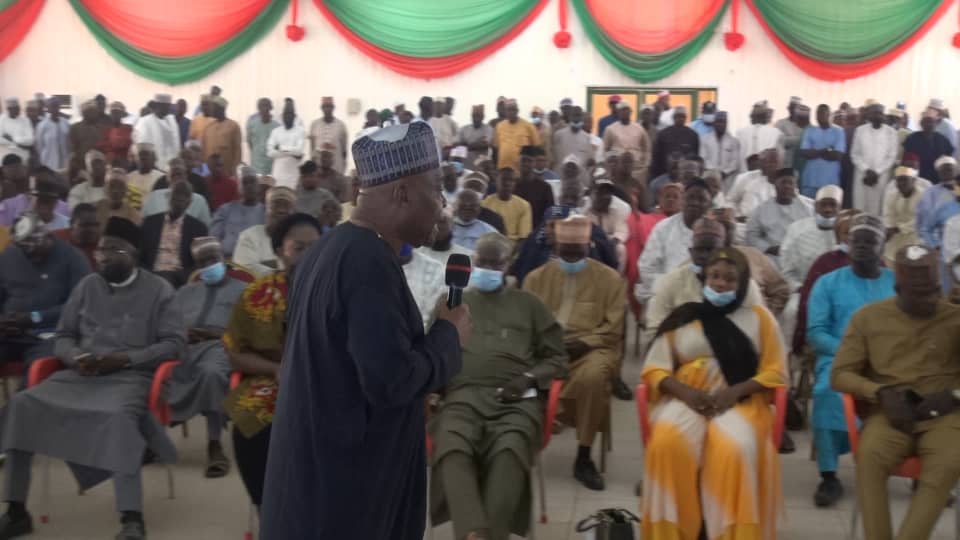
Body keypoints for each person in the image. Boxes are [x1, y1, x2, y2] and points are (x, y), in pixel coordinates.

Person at [259, 122, 469, 540]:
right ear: (403, 193)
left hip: (317, 482)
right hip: (348, 495)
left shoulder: (329, 249)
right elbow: (391, 381)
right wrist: (448, 335)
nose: (443, 203)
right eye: (436, 188)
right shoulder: (368, 264)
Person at [0, 217, 183, 540]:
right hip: (79, 375)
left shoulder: (159, 290)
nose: (103, 257)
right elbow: (64, 336)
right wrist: (75, 357)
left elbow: (174, 345)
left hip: (129, 379)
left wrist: (124, 359)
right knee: (22, 405)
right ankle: (16, 512)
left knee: (118, 419)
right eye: (101, 250)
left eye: (113, 250)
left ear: (133, 253)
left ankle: (131, 518)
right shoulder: (87, 286)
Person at [641, 247, 786, 540]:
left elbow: (776, 371)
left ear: (742, 284)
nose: (720, 284)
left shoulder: (760, 319)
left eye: (730, 279)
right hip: (687, 398)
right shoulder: (685, 316)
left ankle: (726, 531)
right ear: (704, 279)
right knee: (667, 443)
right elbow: (655, 368)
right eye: (715, 276)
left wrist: (735, 392)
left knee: (734, 448)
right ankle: (674, 531)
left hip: (740, 402)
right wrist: (685, 393)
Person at [430, 232, 566, 540]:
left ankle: (485, 534)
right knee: (453, 448)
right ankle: (475, 532)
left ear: (509, 264)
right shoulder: (453, 303)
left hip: (515, 400)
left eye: (496, 263)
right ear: (473, 262)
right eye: (483, 262)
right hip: (462, 397)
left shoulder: (529, 305)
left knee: (509, 451)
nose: (489, 268)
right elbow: (431, 352)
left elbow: (557, 358)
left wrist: (528, 379)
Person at [831, 244, 960, 540]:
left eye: (934, 290)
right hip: (891, 414)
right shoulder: (869, 318)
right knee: (870, 458)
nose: (931, 299)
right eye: (920, 294)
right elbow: (840, 374)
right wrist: (880, 392)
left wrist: (954, 396)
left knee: (947, 464)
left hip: (946, 415)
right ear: (899, 288)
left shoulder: (955, 317)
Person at [222, 213, 323, 511]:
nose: (308, 255)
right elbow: (234, 352)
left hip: (327, 381)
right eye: (298, 248)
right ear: (280, 251)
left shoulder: (339, 291)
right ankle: (267, 508)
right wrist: (276, 369)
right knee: (250, 423)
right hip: (271, 380)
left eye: (315, 248)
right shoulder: (257, 294)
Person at [524, 216, 625, 490]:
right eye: (565, 250)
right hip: (546, 350)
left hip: (591, 349)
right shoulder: (535, 278)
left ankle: (583, 455)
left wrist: (584, 342)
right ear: (556, 247)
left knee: (593, 378)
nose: (570, 256)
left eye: (576, 251)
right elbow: (525, 323)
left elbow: (613, 329)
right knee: (513, 370)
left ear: (588, 246)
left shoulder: (610, 279)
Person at [807, 214, 895, 507]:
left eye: (871, 241)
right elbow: (816, 332)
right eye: (857, 240)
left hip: (889, 362)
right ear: (847, 243)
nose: (862, 247)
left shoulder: (896, 283)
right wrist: (852, 354)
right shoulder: (827, 283)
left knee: (916, 391)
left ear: (882, 248)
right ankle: (828, 475)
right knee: (825, 392)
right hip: (839, 359)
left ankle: (919, 466)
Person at [168, 237, 249, 478]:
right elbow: (168, 323)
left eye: (212, 259)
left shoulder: (244, 291)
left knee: (211, 373)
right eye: (202, 262)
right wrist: (181, 334)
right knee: (148, 372)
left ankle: (214, 444)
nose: (208, 265)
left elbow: (251, 332)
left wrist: (215, 334)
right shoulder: (185, 292)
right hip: (185, 348)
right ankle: (153, 440)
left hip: (221, 346)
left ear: (223, 258)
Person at [644, 216, 763, 339]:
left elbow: (758, 329)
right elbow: (654, 330)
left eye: (712, 250)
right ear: (691, 252)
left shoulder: (745, 285)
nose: (705, 256)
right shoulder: (670, 282)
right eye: (699, 250)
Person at [0, 213, 90, 374]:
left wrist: (34, 318)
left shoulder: (74, 259)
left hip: (51, 334)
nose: (30, 255)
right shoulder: (9, 256)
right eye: (24, 250)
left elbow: (80, 307)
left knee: (36, 367)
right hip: (11, 333)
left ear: (48, 235)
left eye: (35, 249)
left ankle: (27, 391)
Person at [636, 180, 712, 303]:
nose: (695, 203)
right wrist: (674, 288)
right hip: (665, 292)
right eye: (691, 197)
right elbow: (647, 268)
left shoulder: (714, 232)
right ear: (682, 200)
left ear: (709, 205)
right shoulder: (663, 228)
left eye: (701, 199)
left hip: (701, 295)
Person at [140, 181, 209, 287]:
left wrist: (181, 276)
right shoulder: (150, 222)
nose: (178, 201)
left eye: (183, 197)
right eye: (175, 196)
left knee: (166, 280)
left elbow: (201, 262)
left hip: (179, 278)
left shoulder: (198, 228)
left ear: (189, 202)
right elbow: (139, 256)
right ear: (168, 197)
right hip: (151, 274)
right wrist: (148, 273)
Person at [780, 185, 841, 291]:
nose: (828, 209)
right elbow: (786, 269)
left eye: (833, 205)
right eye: (823, 204)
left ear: (839, 208)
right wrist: (799, 288)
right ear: (815, 206)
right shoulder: (797, 228)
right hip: (802, 290)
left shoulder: (845, 231)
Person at [746, 169, 813, 265]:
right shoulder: (762, 209)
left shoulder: (807, 209)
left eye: (791, 183)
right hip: (771, 257)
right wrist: (769, 248)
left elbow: (812, 234)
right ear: (775, 185)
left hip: (799, 256)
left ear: (795, 186)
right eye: (783, 182)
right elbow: (751, 235)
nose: (787, 186)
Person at [233, 186, 295, 276]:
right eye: (275, 205)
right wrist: (282, 273)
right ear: (265, 210)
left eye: (287, 206)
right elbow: (243, 270)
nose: (281, 210)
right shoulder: (249, 236)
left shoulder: (299, 240)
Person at [851, 103, 898, 216]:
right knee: (859, 207)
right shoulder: (860, 130)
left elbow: (891, 156)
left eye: (880, 113)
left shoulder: (891, 132)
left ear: (884, 116)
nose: (877, 116)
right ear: (869, 115)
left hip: (881, 176)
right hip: (862, 175)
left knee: (876, 210)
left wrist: (877, 172)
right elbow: (855, 154)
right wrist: (866, 170)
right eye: (874, 113)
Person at [210, 167, 265, 258]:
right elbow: (213, 240)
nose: (249, 186)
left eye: (252, 182)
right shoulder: (225, 210)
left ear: (259, 186)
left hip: (256, 262)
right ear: (239, 187)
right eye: (245, 183)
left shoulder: (265, 212)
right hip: (227, 261)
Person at [142, 158, 212, 225]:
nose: (176, 177)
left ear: (186, 176)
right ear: (167, 177)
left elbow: (206, 226)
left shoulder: (199, 200)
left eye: (179, 174)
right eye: (173, 175)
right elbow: (144, 220)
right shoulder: (154, 196)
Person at [799, 104, 846, 199]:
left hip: (830, 180)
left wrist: (815, 152)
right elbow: (804, 153)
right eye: (818, 114)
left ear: (829, 115)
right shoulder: (810, 131)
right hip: (811, 179)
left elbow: (837, 155)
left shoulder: (839, 132)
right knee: (808, 206)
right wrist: (825, 150)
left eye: (822, 113)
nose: (819, 116)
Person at [884, 167, 927, 266]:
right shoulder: (892, 195)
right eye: (899, 180)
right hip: (896, 236)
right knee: (890, 258)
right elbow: (888, 215)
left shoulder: (923, 195)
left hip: (917, 235)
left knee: (912, 262)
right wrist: (889, 227)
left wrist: (898, 228)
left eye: (905, 180)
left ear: (914, 181)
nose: (901, 183)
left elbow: (921, 220)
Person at [586, 178, 629, 269]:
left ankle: (616, 277)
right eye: (600, 192)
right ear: (590, 194)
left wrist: (607, 243)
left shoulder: (619, 209)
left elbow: (621, 232)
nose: (605, 196)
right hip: (589, 245)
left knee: (621, 249)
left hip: (610, 244)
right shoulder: (584, 210)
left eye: (608, 192)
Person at [903, 109, 954, 184]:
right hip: (916, 178)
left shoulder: (943, 140)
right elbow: (906, 160)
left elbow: (948, 161)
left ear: (936, 124)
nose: (928, 124)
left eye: (931, 122)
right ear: (921, 124)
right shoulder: (912, 138)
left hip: (937, 178)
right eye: (926, 122)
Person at [728, 148, 781, 220]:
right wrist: (736, 215)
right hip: (742, 222)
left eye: (775, 162)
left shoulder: (784, 183)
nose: (773, 165)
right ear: (761, 163)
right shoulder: (744, 178)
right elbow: (731, 201)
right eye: (769, 162)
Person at [482, 168, 532, 242]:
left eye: (511, 180)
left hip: (512, 245)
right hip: (488, 242)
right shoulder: (485, 203)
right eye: (504, 179)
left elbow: (524, 238)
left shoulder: (524, 205)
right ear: (496, 181)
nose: (507, 183)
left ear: (515, 183)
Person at [602, 101, 651, 177]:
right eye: (622, 110)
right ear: (618, 112)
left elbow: (646, 148)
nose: (624, 112)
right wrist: (612, 162)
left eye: (626, 109)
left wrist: (645, 164)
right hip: (617, 170)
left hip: (637, 169)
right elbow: (605, 149)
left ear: (631, 112)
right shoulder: (610, 129)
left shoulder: (639, 128)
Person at [132, 94, 181, 167]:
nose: (168, 108)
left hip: (172, 165)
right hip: (154, 166)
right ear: (157, 106)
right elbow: (142, 147)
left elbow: (176, 144)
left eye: (168, 106)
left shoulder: (172, 121)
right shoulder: (145, 122)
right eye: (165, 106)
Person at [736, 100, 785, 172]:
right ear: (765, 118)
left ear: (752, 117)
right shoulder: (776, 133)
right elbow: (780, 158)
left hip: (744, 173)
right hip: (767, 174)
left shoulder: (740, 133)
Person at [651, 106, 699, 179]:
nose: (680, 119)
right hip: (664, 174)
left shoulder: (693, 135)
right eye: (678, 116)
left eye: (682, 116)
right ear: (673, 117)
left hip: (685, 176)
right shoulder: (663, 134)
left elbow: (695, 156)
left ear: (686, 118)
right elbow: (656, 157)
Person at [514, 147, 554, 230]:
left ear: (534, 163)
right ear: (518, 162)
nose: (526, 164)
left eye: (529, 161)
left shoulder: (545, 188)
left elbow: (549, 215)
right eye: (523, 160)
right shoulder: (511, 185)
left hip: (536, 232)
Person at [493, 99, 540, 171]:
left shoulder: (528, 126)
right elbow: (496, 148)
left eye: (513, 110)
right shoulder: (499, 126)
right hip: (503, 169)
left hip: (522, 171)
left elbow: (536, 148)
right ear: (505, 111)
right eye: (508, 110)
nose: (511, 112)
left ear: (517, 111)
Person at [199, 96, 242, 175]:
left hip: (227, 172)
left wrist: (234, 170)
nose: (211, 109)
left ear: (221, 109)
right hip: (209, 173)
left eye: (213, 107)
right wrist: (204, 171)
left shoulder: (233, 126)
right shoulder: (208, 128)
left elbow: (237, 151)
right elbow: (203, 151)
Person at [266, 105, 305, 188]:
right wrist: (292, 152)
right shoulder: (275, 132)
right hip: (278, 175)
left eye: (290, 114)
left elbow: (299, 151)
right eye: (286, 114)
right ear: (282, 116)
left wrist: (280, 148)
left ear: (294, 116)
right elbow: (270, 153)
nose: (288, 116)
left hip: (293, 176)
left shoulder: (300, 131)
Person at [699, 111, 741, 187]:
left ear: (726, 123)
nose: (721, 124)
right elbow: (703, 159)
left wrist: (724, 173)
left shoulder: (733, 141)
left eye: (723, 122)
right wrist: (715, 173)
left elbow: (735, 162)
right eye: (718, 122)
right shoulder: (705, 139)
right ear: (714, 123)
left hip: (727, 179)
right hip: (709, 177)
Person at [52, 203, 99, 269]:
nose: (93, 230)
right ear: (71, 223)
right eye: (86, 225)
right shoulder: (55, 239)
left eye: (96, 225)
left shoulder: (101, 245)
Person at [308, 97, 348, 174]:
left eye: (329, 106)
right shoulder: (314, 124)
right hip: (318, 170)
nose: (327, 109)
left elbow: (344, 151)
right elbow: (312, 149)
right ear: (321, 108)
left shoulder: (341, 125)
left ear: (333, 108)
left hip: (336, 168)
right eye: (325, 106)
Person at [552, 106, 593, 172]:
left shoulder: (586, 137)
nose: (577, 118)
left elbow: (589, 159)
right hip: (561, 173)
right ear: (570, 117)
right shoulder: (559, 135)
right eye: (574, 115)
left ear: (582, 118)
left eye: (579, 115)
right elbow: (554, 157)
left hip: (580, 174)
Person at [34, 97, 69, 171]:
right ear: (48, 108)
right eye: (52, 106)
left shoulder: (65, 122)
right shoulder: (42, 125)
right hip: (48, 161)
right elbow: (39, 145)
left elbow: (68, 141)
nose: (55, 109)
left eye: (57, 106)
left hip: (64, 161)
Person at [247, 98, 279, 175]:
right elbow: (250, 143)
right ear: (258, 108)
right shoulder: (252, 124)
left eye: (266, 106)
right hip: (256, 165)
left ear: (271, 108)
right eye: (261, 106)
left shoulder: (277, 126)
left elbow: (277, 147)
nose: (264, 109)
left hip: (271, 165)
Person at [775, 97, 808, 170]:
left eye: (797, 108)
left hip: (800, 164)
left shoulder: (806, 126)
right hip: (785, 165)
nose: (794, 110)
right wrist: (800, 139)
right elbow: (780, 141)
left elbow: (808, 143)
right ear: (788, 108)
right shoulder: (780, 123)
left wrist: (789, 140)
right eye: (792, 107)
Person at [458, 105, 494, 169]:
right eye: (474, 115)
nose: (476, 118)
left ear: (483, 117)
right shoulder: (464, 129)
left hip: (482, 167)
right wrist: (477, 142)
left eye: (478, 115)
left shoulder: (488, 129)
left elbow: (484, 144)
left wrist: (466, 144)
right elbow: (457, 146)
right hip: (466, 166)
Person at [100, 101, 134, 169]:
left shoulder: (128, 128)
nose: (115, 115)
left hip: (125, 162)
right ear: (110, 115)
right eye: (113, 113)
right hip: (110, 163)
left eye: (117, 113)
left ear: (122, 114)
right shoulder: (106, 130)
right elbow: (103, 146)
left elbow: (130, 144)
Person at [0, 97, 34, 162]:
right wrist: (19, 142)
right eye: (16, 108)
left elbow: (30, 140)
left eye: (18, 108)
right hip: (5, 157)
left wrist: (12, 139)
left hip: (23, 157)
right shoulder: (1, 120)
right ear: (9, 109)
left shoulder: (25, 120)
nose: (19, 110)